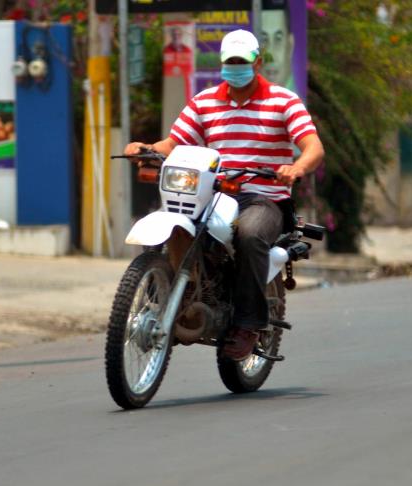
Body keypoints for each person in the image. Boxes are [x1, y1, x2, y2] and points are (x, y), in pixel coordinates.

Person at [124, 29, 324, 361]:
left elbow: (313, 147)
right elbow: (173, 143)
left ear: (257, 62)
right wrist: (145, 149)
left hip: (263, 197)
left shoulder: (284, 101)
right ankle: (173, 297)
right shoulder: (204, 102)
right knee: (172, 222)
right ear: (221, 63)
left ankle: (248, 324)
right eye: (230, 61)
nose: (235, 67)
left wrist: (297, 167)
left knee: (249, 234)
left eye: (242, 61)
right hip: (213, 192)